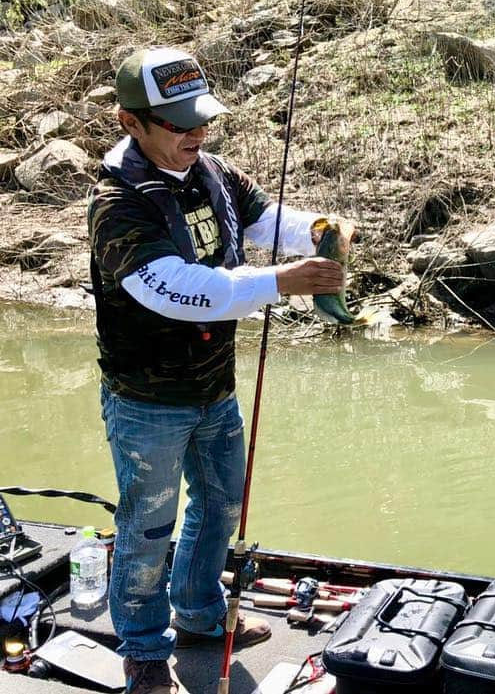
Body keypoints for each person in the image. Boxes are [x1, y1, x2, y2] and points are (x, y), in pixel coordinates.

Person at [89, 47, 348, 694]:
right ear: (131, 122)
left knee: (220, 506)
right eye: (178, 124)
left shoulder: (212, 172)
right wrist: (282, 281)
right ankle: (144, 649)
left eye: (200, 119)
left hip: (214, 390)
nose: (195, 133)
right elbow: (179, 289)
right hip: (148, 401)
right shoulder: (118, 206)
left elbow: (264, 218)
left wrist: (318, 230)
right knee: (148, 526)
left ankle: (201, 613)